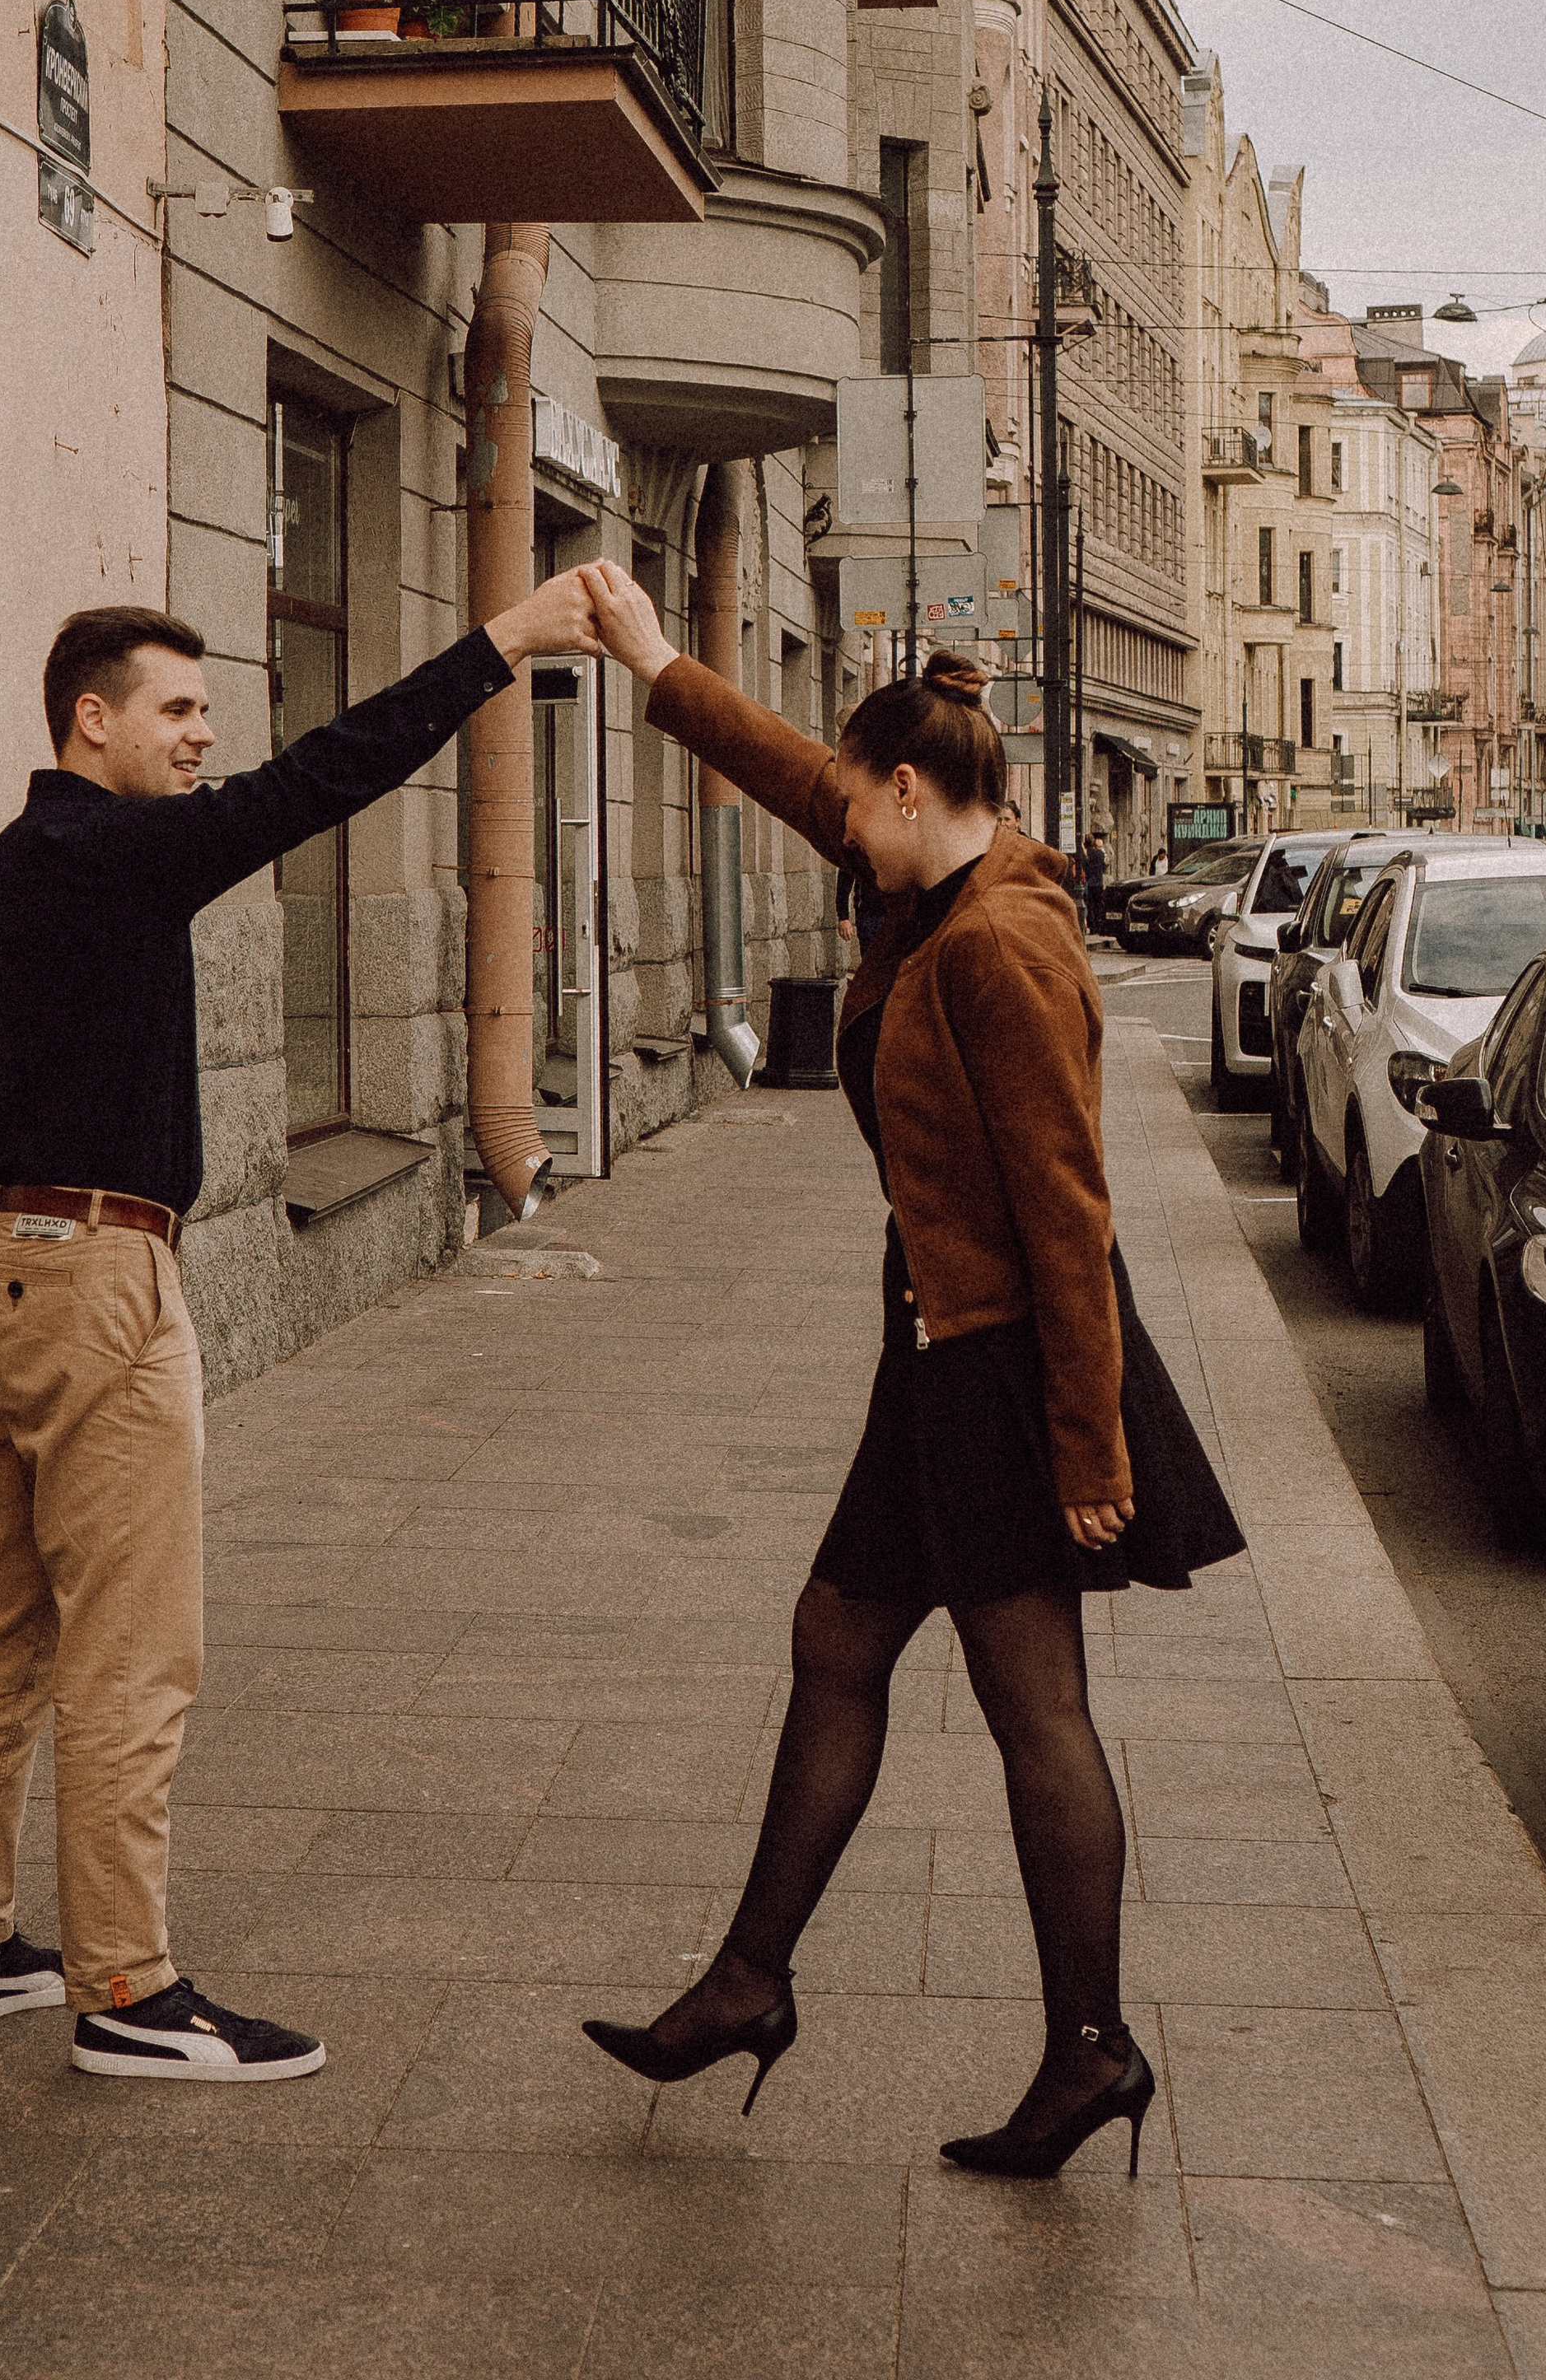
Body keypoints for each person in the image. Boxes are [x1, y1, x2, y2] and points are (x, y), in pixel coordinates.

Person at [577, 566, 1241, 2176]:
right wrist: (655, 662)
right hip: (931, 1354)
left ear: (908, 790)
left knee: (1036, 1712)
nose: (839, 832)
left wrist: (1091, 1458)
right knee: (836, 1638)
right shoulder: (930, 873)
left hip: (1003, 1376)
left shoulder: (998, 944)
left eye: (854, 803)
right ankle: (749, 1981)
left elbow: (1070, 1219)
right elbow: (796, 774)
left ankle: (1090, 2052)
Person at [0, 574, 602, 2083]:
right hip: (97, 1274)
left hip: (18, 1259)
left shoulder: (29, 857)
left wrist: (25, 1248)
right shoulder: (109, 851)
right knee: (133, 1651)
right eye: (176, 709)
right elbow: (315, 784)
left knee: (10, 1623)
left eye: (206, 711)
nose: (202, 737)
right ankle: (128, 1989)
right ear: (91, 721)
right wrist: (503, 643)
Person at [1081, 828, 1109, 938]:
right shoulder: (1101, 854)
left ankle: (1092, 927)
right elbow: (1105, 866)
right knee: (1098, 905)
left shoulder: (1088, 854)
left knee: (1090, 905)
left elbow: (1085, 866)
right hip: (1099, 882)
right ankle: (1099, 926)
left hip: (1090, 882)